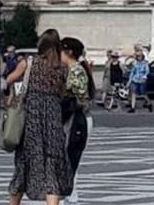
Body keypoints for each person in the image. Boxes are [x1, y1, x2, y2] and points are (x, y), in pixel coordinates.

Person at [5, 29, 70, 205]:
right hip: (53, 121)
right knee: (52, 167)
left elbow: (9, 80)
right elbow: (64, 92)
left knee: (23, 164)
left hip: (31, 121)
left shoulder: (29, 63)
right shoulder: (62, 67)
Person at [59, 37, 94, 198]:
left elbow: (76, 98)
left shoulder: (76, 71)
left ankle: (70, 198)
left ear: (69, 53)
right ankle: (68, 196)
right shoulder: (72, 70)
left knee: (70, 160)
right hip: (74, 118)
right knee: (68, 161)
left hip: (76, 119)